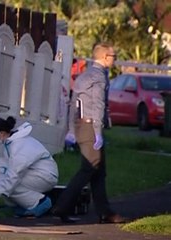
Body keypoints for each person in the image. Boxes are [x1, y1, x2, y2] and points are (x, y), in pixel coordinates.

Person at [52, 42, 125, 223]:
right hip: (91, 126)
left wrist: (71, 129)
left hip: (82, 125)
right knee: (90, 168)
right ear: (104, 57)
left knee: (99, 172)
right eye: (113, 56)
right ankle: (61, 206)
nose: (114, 60)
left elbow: (73, 103)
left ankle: (105, 212)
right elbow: (98, 105)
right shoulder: (99, 77)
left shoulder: (85, 76)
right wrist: (98, 131)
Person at [0, 116, 58, 218]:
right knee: (0, 163)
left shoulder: (19, 145)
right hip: (36, 173)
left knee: (12, 184)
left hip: (46, 176)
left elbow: (14, 174)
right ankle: (18, 204)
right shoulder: (12, 143)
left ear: (1, 134)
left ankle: (40, 203)